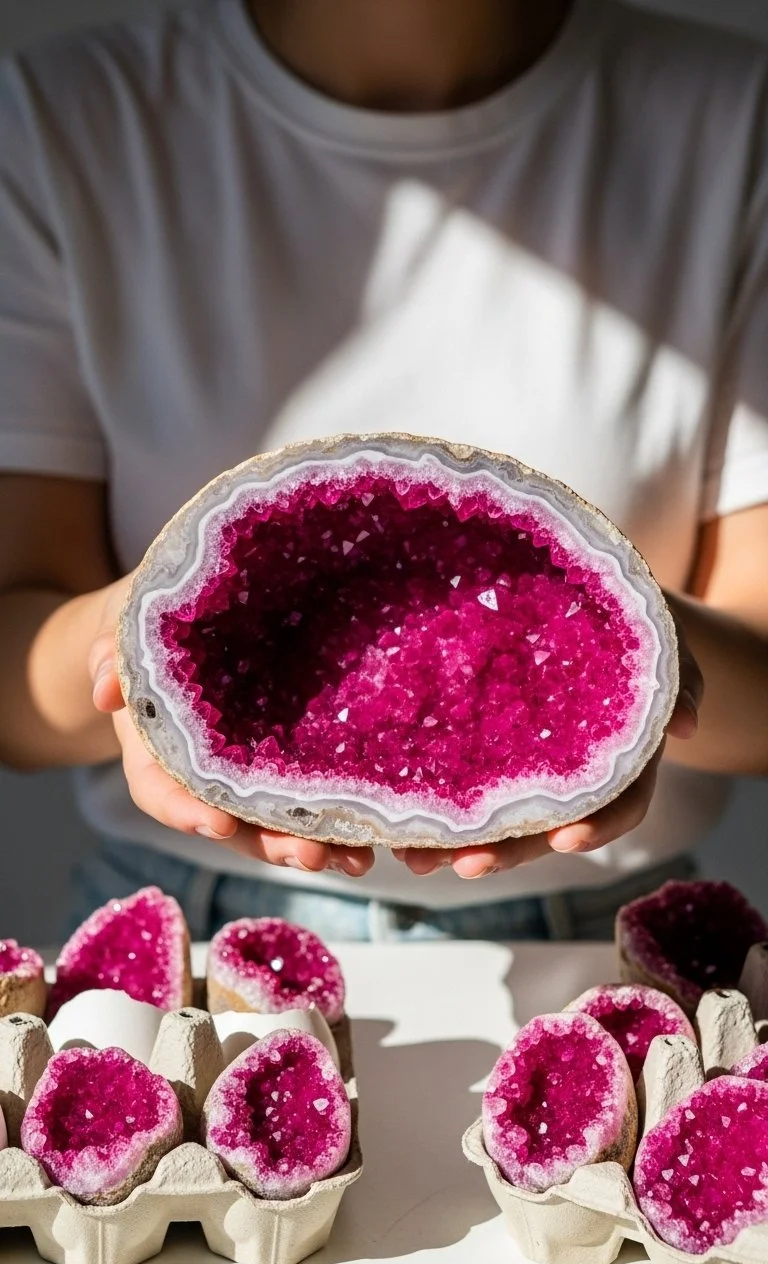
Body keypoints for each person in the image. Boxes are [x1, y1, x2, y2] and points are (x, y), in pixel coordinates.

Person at [0, 0, 766, 946]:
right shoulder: (56, 119)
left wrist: (635, 653)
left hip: (611, 930)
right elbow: (12, 685)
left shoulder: (734, 117)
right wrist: (136, 647)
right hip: (179, 929)